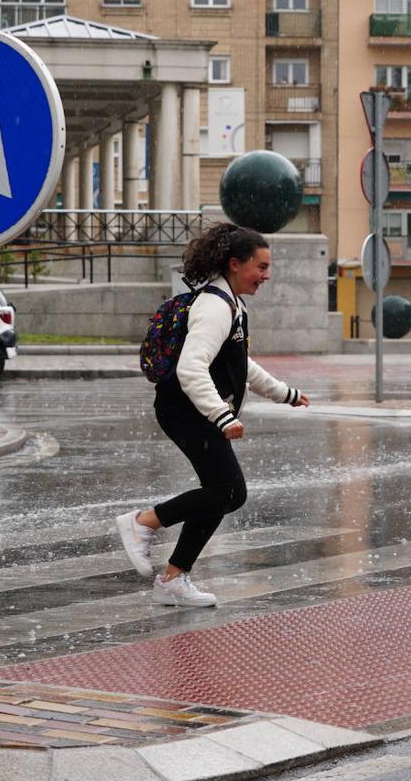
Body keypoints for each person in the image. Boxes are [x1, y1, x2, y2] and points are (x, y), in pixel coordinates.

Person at [116, 223, 310, 607]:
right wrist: (222, 415)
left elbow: (240, 364)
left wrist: (285, 394)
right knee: (227, 491)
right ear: (235, 264)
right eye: (261, 266)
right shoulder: (215, 306)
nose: (266, 275)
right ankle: (143, 522)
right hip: (185, 409)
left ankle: (173, 578)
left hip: (194, 410)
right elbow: (191, 368)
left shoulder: (232, 304)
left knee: (226, 493)